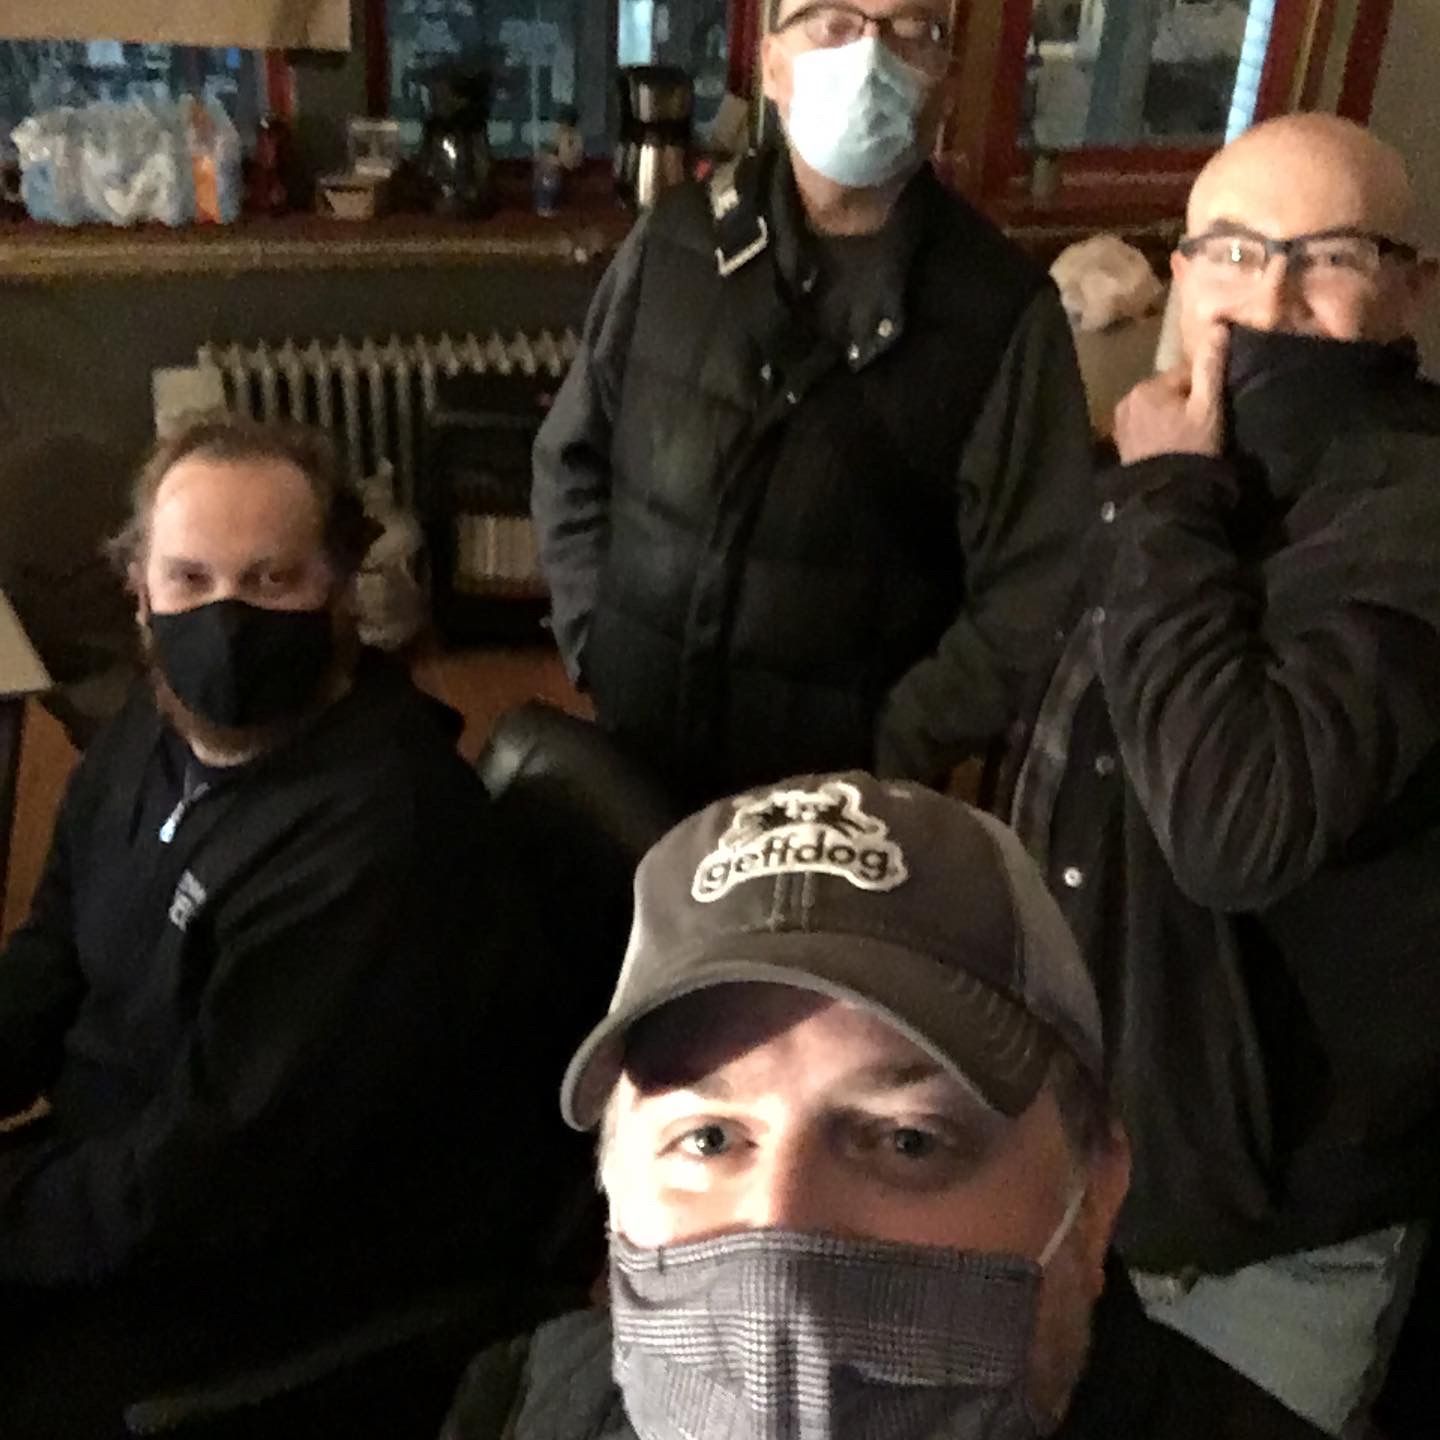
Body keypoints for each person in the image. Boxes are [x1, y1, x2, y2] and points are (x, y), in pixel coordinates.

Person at [0, 417, 586, 1437]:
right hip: (123, 1159)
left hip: (262, 1264)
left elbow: (202, 1181)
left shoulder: (377, 845)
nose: (225, 622)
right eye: (190, 579)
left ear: (339, 588)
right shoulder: (151, 730)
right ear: (139, 589)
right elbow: (52, 949)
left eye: (271, 580)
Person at [441, 772, 1325, 1439]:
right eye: (707, 1138)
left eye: (909, 1141)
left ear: (1093, 1194)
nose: (780, 1236)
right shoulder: (521, 1409)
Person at [1009, 113, 1440, 1437]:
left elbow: (1233, 825)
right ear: (1182, 272)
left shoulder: (1409, 510)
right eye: (1236, 251)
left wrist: (1161, 500)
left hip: (1270, 1243)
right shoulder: (1196, 460)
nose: (1272, 298)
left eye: (1331, 257)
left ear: (1414, 291)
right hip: (1093, 1165)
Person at [533, 0, 1092, 804]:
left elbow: (1033, 590)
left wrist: (889, 747)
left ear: (945, 80)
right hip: (637, 752)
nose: (870, 57)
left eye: (910, 31)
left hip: (838, 811)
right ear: (772, 63)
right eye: (833, 21)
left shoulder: (1004, 314)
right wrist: (597, 642)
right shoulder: (675, 237)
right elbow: (571, 455)